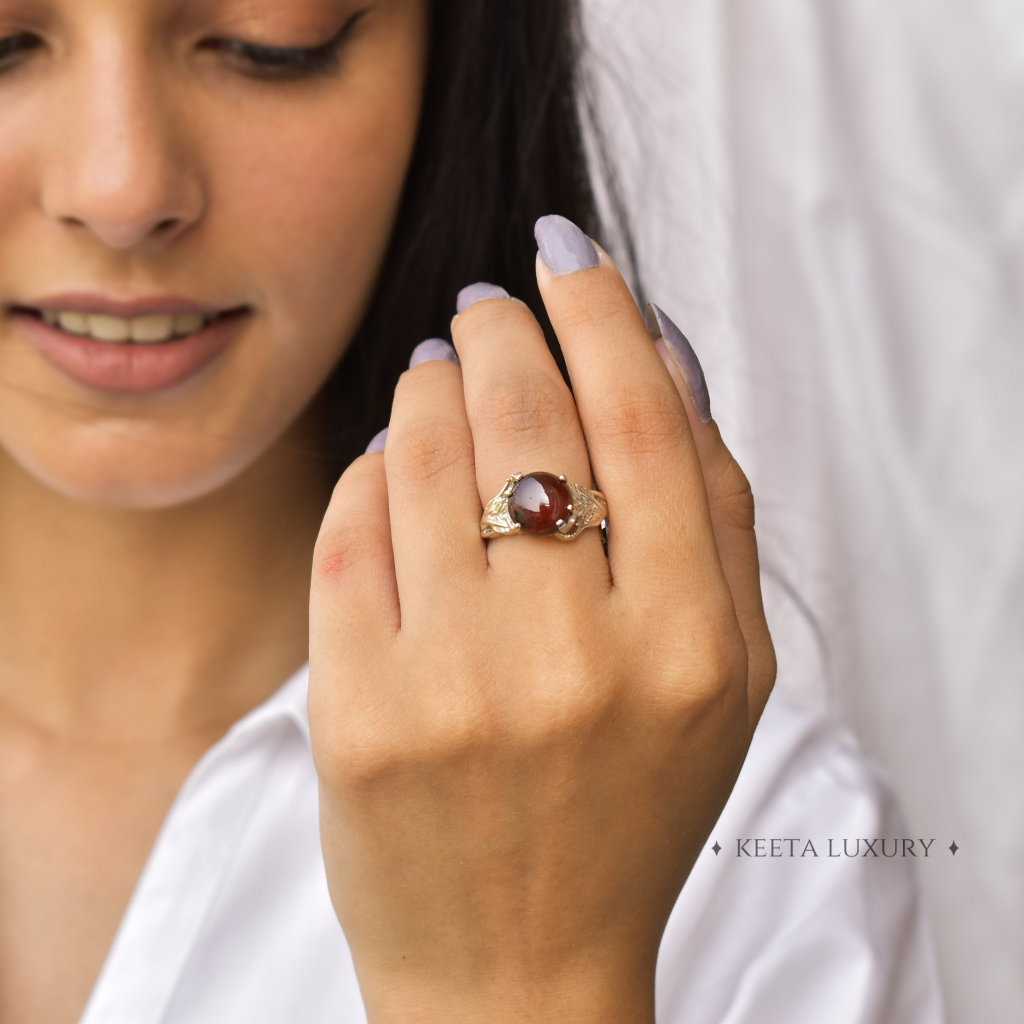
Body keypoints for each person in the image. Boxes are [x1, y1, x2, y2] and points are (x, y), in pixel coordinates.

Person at [0, 1, 941, 1021]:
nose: (122, 190)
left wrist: (523, 980)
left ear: (451, 56)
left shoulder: (760, 845)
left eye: (268, 44)